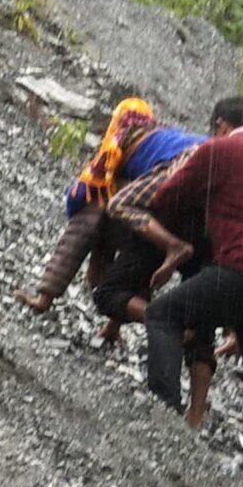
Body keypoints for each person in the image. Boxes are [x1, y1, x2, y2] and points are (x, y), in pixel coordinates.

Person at [135, 99, 243, 487]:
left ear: (222, 124)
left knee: (162, 313)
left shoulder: (220, 150)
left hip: (242, 267)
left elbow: (168, 196)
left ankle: (164, 414)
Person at [19, 97, 204, 330]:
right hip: (207, 201)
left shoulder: (117, 144)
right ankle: (125, 326)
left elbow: (82, 209)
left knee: (99, 206)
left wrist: (46, 294)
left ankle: (47, 300)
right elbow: (142, 257)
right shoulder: (165, 140)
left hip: (183, 171)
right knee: (147, 246)